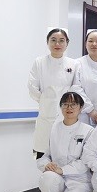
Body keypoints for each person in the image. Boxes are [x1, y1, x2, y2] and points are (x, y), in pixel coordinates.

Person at [37, 92, 93, 192]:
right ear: (61, 107)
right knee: (47, 177)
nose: (69, 108)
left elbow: (86, 161)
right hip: (57, 176)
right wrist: (46, 164)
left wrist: (62, 170)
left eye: (73, 104)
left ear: (81, 107)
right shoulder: (53, 129)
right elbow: (43, 154)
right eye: (65, 104)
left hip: (79, 179)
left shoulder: (88, 131)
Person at [28, 28, 77, 157]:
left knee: (65, 155)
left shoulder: (74, 64)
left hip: (67, 114)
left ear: (67, 43)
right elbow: (32, 86)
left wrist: (66, 104)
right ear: (47, 42)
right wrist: (46, 101)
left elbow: (76, 87)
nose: (57, 44)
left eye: (61, 40)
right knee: (41, 155)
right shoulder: (39, 62)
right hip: (45, 115)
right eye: (53, 40)